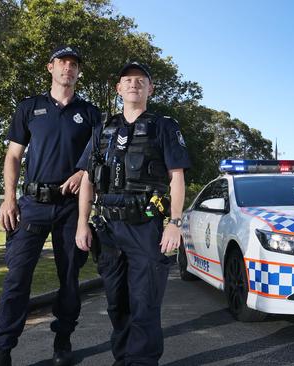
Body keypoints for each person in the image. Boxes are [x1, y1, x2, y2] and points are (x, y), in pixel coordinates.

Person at [0, 45, 100, 366]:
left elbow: (98, 159)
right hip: (32, 204)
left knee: (69, 278)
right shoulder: (29, 108)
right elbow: (12, 156)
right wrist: (9, 198)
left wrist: (83, 171)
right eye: (62, 62)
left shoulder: (90, 114)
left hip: (71, 209)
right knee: (17, 278)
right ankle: (2, 350)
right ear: (50, 67)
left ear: (78, 72)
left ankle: (63, 340)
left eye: (74, 64)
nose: (68, 67)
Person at [75, 62, 190, 366]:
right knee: (117, 304)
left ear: (150, 89)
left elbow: (176, 178)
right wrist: (80, 225)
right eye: (127, 80)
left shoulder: (164, 126)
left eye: (141, 81)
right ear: (118, 88)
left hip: (145, 227)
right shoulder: (103, 128)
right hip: (107, 229)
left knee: (144, 303)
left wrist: (174, 224)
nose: (134, 85)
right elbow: (87, 179)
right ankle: (122, 358)